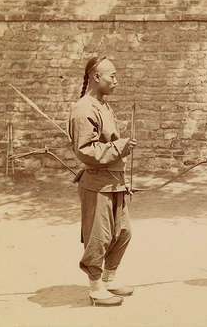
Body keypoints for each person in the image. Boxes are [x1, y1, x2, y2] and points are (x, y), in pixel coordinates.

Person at [69, 56, 137, 306]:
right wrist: (120, 146)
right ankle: (96, 287)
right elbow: (85, 150)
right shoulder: (83, 108)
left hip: (114, 181)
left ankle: (109, 279)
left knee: (123, 232)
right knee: (99, 236)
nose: (116, 81)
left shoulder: (103, 105)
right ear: (96, 77)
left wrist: (120, 155)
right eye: (112, 76)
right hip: (97, 184)